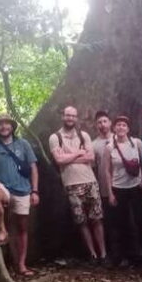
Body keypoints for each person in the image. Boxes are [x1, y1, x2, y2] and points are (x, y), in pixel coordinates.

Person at [0, 114, 39, 276]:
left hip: (24, 189)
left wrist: (35, 191)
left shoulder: (23, 144)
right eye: (0, 125)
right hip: (4, 188)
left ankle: (21, 265)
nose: (4, 127)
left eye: (7, 124)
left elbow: (33, 168)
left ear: (12, 127)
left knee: (22, 227)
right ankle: (2, 231)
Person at [49, 106, 107, 265]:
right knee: (81, 221)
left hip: (90, 181)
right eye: (68, 115)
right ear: (63, 116)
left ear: (77, 118)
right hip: (71, 184)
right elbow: (59, 161)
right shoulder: (55, 137)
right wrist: (78, 153)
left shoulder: (84, 135)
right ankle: (93, 254)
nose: (70, 118)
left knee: (97, 219)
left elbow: (90, 157)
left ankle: (103, 254)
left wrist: (69, 157)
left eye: (73, 116)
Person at [104, 115, 142, 265]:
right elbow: (107, 171)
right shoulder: (109, 147)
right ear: (114, 128)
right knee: (121, 223)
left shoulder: (136, 143)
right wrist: (110, 193)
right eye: (118, 125)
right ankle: (125, 256)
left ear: (128, 128)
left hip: (137, 187)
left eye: (124, 125)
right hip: (118, 188)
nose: (121, 128)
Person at [92, 110, 117, 262]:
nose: (102, 125)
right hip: (104, 188)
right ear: (96, 125)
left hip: (124, 186)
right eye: (99, 122)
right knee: (110, 221)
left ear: (110, 123)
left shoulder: (120, 138)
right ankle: (113, 254)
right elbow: (94, 167)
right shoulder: (93, 145)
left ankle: (134, 253)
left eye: (105, 121)